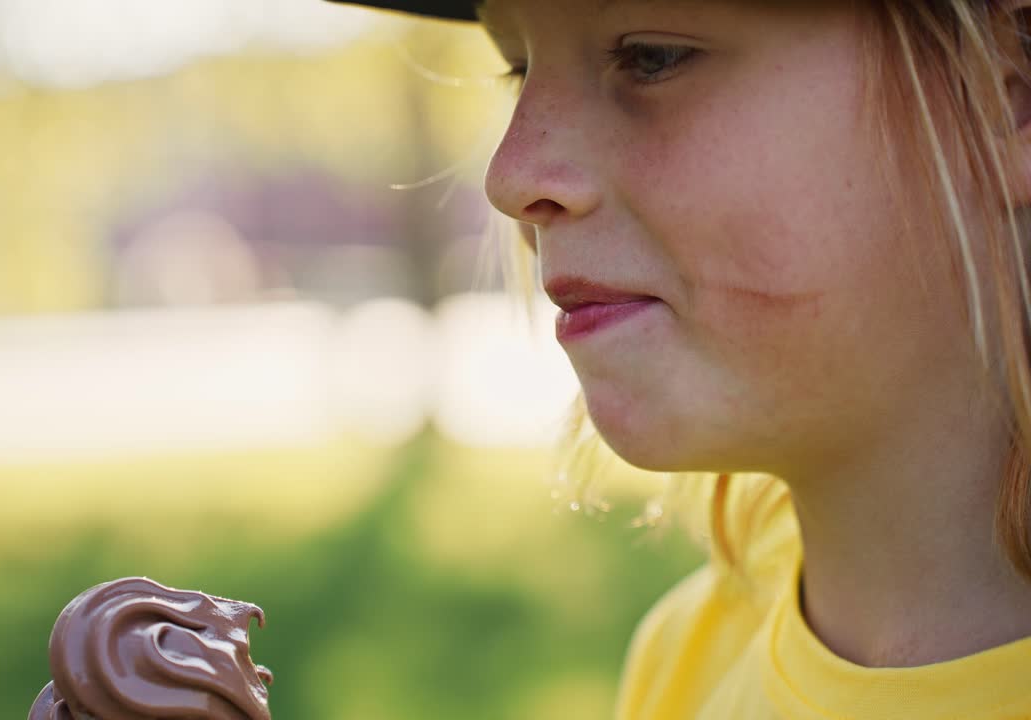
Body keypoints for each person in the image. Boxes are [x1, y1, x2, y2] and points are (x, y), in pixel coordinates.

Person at [327, 1, 1031, 718]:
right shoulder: (687, 657)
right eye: (520, 69)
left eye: (651, 56)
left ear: (1003, 97)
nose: (510, 178)